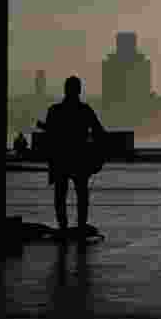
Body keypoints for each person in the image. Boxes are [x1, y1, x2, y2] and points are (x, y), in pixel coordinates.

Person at [41, 76, 106, 236]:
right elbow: (99, 132)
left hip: (61, 159)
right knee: (82, 194)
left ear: (65, 90)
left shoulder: (54, 110)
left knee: (60, 195)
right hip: (80, 158)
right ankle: (81, 225)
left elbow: (49, 137)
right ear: (79, 90)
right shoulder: (85, 110)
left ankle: (63, 226)